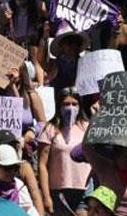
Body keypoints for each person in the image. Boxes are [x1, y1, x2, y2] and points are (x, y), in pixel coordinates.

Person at [36, 87, 92, 215]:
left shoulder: (87, 127)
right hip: (59, 192)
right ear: (59, 106)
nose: (70, 108)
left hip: (84, 190)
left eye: (74, 104)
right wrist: (46, 197)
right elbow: (42, 165)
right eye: (66, 104)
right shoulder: (50, 129)